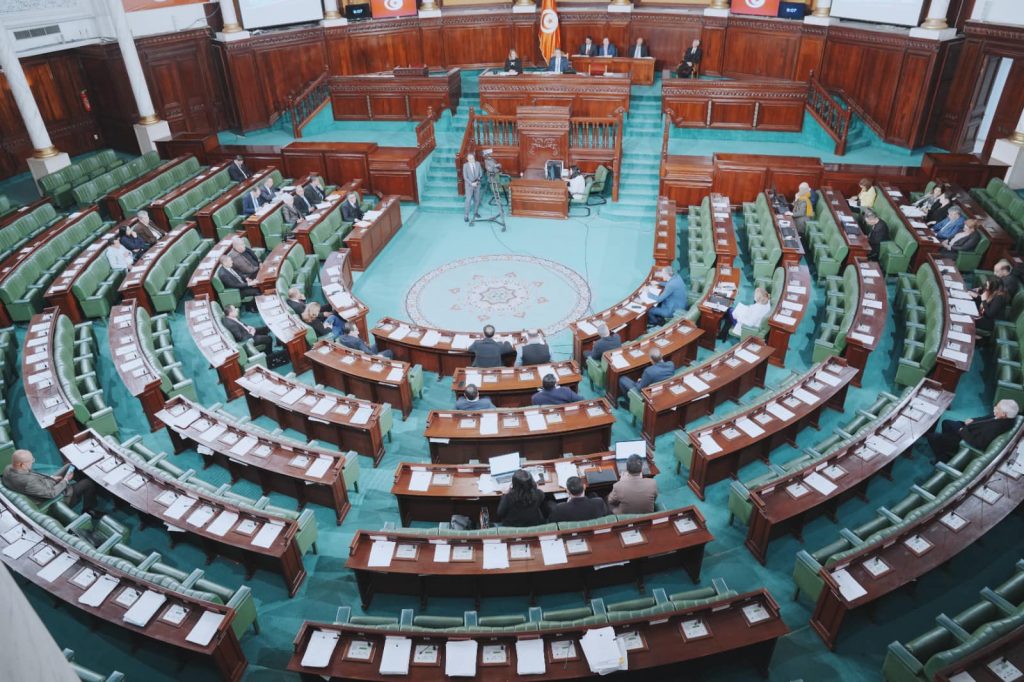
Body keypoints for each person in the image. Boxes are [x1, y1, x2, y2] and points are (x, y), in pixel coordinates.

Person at [925, 399, 1019, 462]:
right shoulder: (1004, 416)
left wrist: (962, 431)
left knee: (932, 437)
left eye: (997, 408)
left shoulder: (996, 428)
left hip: (967, 439)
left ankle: (942, 458)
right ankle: (947, 446)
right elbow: (986, 418)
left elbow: (978, 443)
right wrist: (973, 420)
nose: (994, 408)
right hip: (972, 429)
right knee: (946, 423)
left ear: (1003, 414)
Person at [3, 449, 97, 511]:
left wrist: (52, 478)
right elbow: (51, 494)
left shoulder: (9, 468)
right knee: (88, 483)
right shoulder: (29, 482)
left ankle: (82, 490)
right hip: (56, 498)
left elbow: (33, 476)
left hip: (43, 485)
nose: (33, 462)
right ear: (22, 465)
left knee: (70, 466)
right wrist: (65, 480)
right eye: (31, 461)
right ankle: (89, 509)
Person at [462, 152, 483, 223]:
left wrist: (478, 180)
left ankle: (475, 212)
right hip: (469, 185)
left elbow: (481, 173)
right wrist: (471, 183)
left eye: (472, 158)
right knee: (468, 200)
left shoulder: (478, 163)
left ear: (474, 158)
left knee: (477, 199)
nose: (471, 160)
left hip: (477, 184)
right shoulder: (465, 165)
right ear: (467, 159)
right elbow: (465, 177)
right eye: (470, 159)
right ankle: (466, 215)